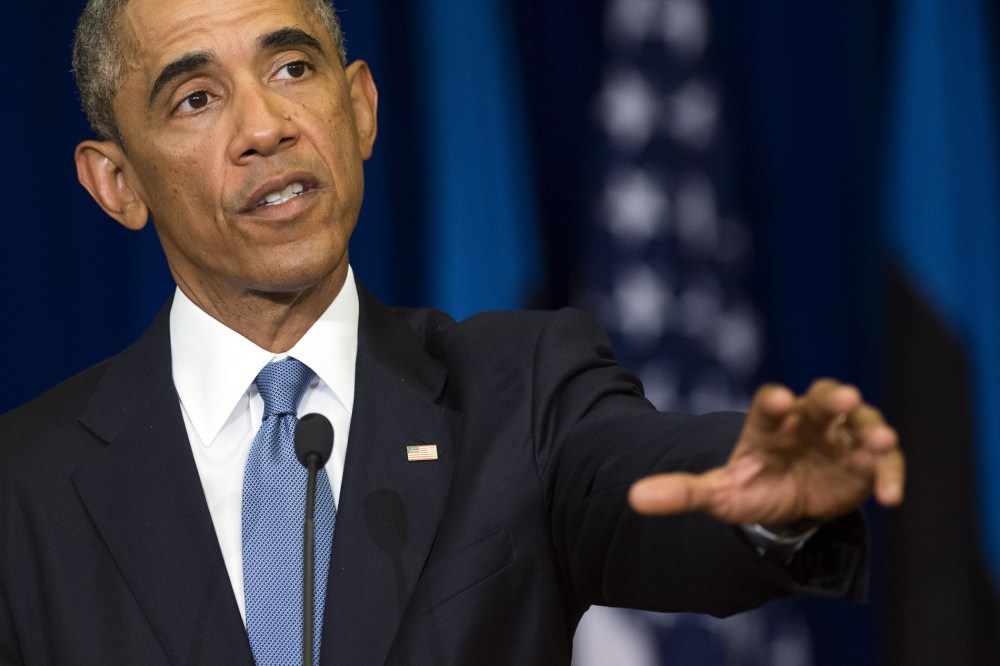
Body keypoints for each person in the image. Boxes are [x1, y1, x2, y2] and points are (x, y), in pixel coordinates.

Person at [0, 0, 904, 663]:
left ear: (360, 108)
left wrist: (764, 500)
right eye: (197, 98)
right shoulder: (23, 490)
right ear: (117, 182)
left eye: (293, 69)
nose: (265, 128)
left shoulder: (521, 392)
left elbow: (635, 475)